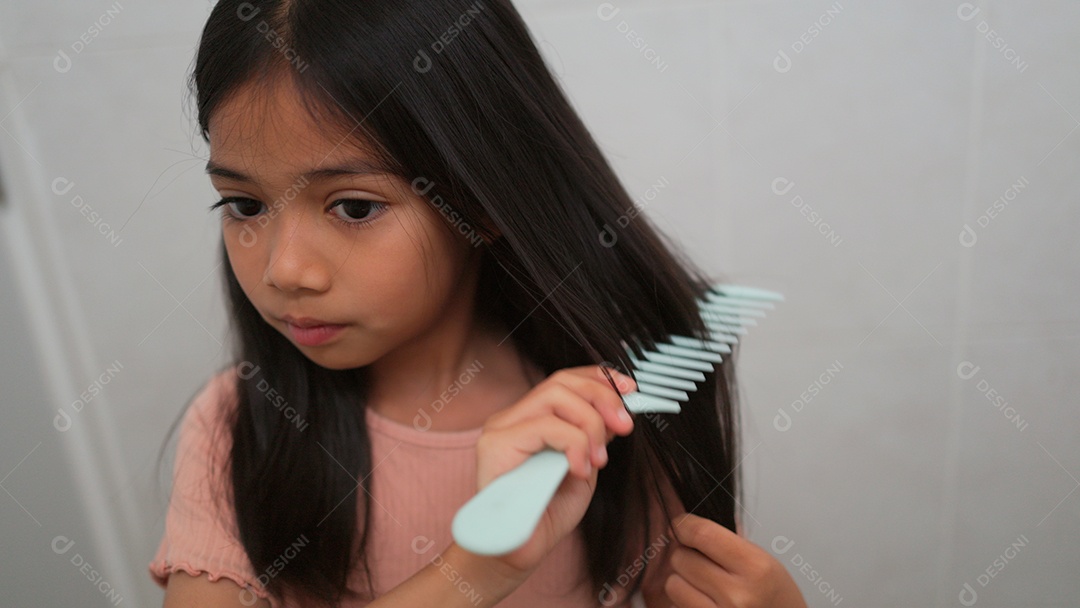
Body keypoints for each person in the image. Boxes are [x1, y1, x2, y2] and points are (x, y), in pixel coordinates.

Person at [149, 1, 808, 607]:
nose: (284, 269)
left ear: (483, 197)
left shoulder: (609, 416)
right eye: (245, 205)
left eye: (353, 207)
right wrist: (477, 571)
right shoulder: (239, 428)